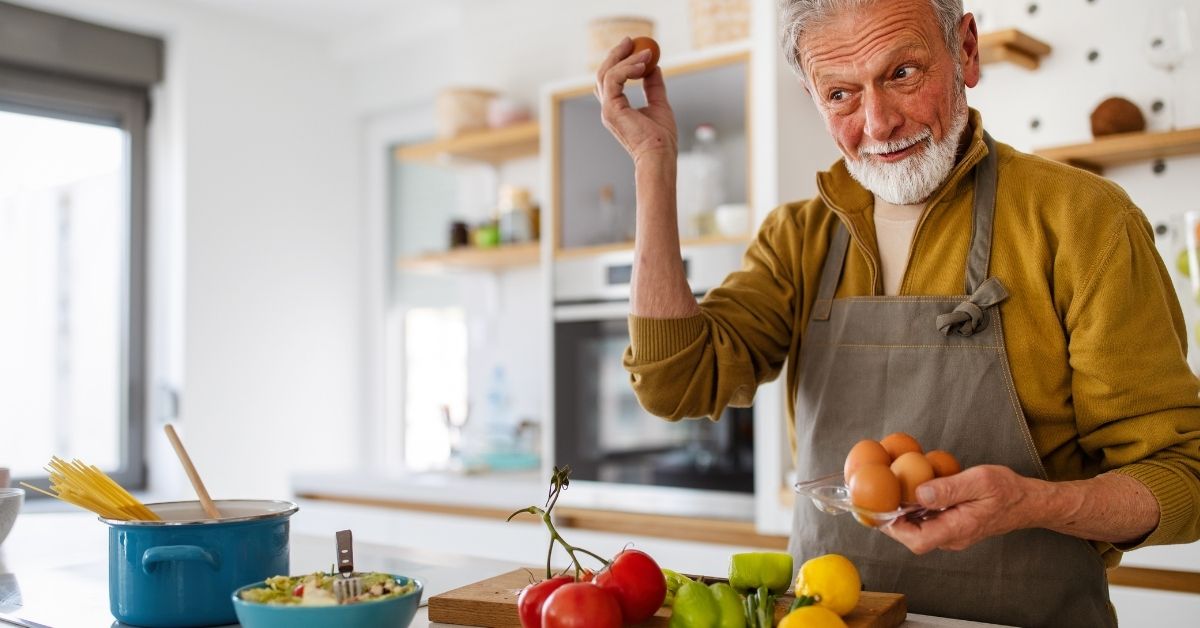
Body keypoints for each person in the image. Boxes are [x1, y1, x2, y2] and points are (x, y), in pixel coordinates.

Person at [594, 1, 1200, 626]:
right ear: (812, 97)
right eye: (840, 94)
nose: (878, 124)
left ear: (966, 51)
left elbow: (1181, 473)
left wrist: (1033, 504)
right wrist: (653, 163)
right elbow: (674, 382)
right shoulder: (798, 239)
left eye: (902, 73)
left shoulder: (1083, 221)